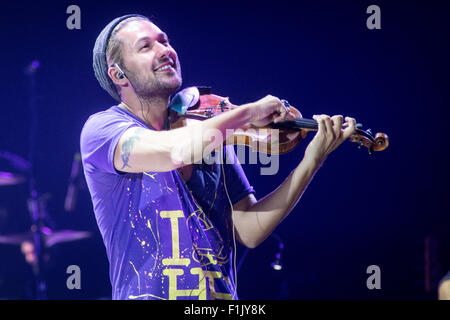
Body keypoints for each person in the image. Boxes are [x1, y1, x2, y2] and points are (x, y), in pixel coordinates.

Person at [80, 14, 356, 300]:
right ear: (118, 74)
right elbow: (174, 151)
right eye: (146, 46)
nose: (165, 50)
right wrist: (248, 112)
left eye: (165, 41)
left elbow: (248, 230)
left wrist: (311, 160)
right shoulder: (103, 131)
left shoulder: (211, 138)